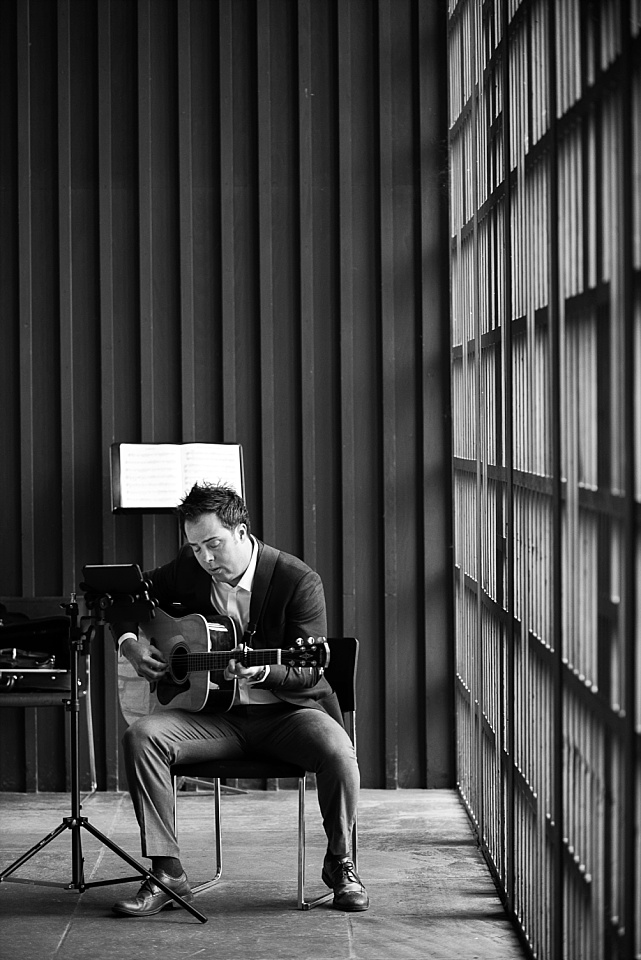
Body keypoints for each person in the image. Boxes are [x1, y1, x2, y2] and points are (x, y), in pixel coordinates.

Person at [110, 482, 368, 916]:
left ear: (242, 531)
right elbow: (126, 597)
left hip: (289, 713)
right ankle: (168, 872)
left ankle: (340, 862)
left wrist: (264, 669)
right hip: (215, 720)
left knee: (339, 751)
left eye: (214, 544)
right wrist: (132, 644)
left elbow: (310, 667)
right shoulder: (190, 570)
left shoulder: (296, 579)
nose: (206, 559)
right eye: (195, 548)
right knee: (141, 737)